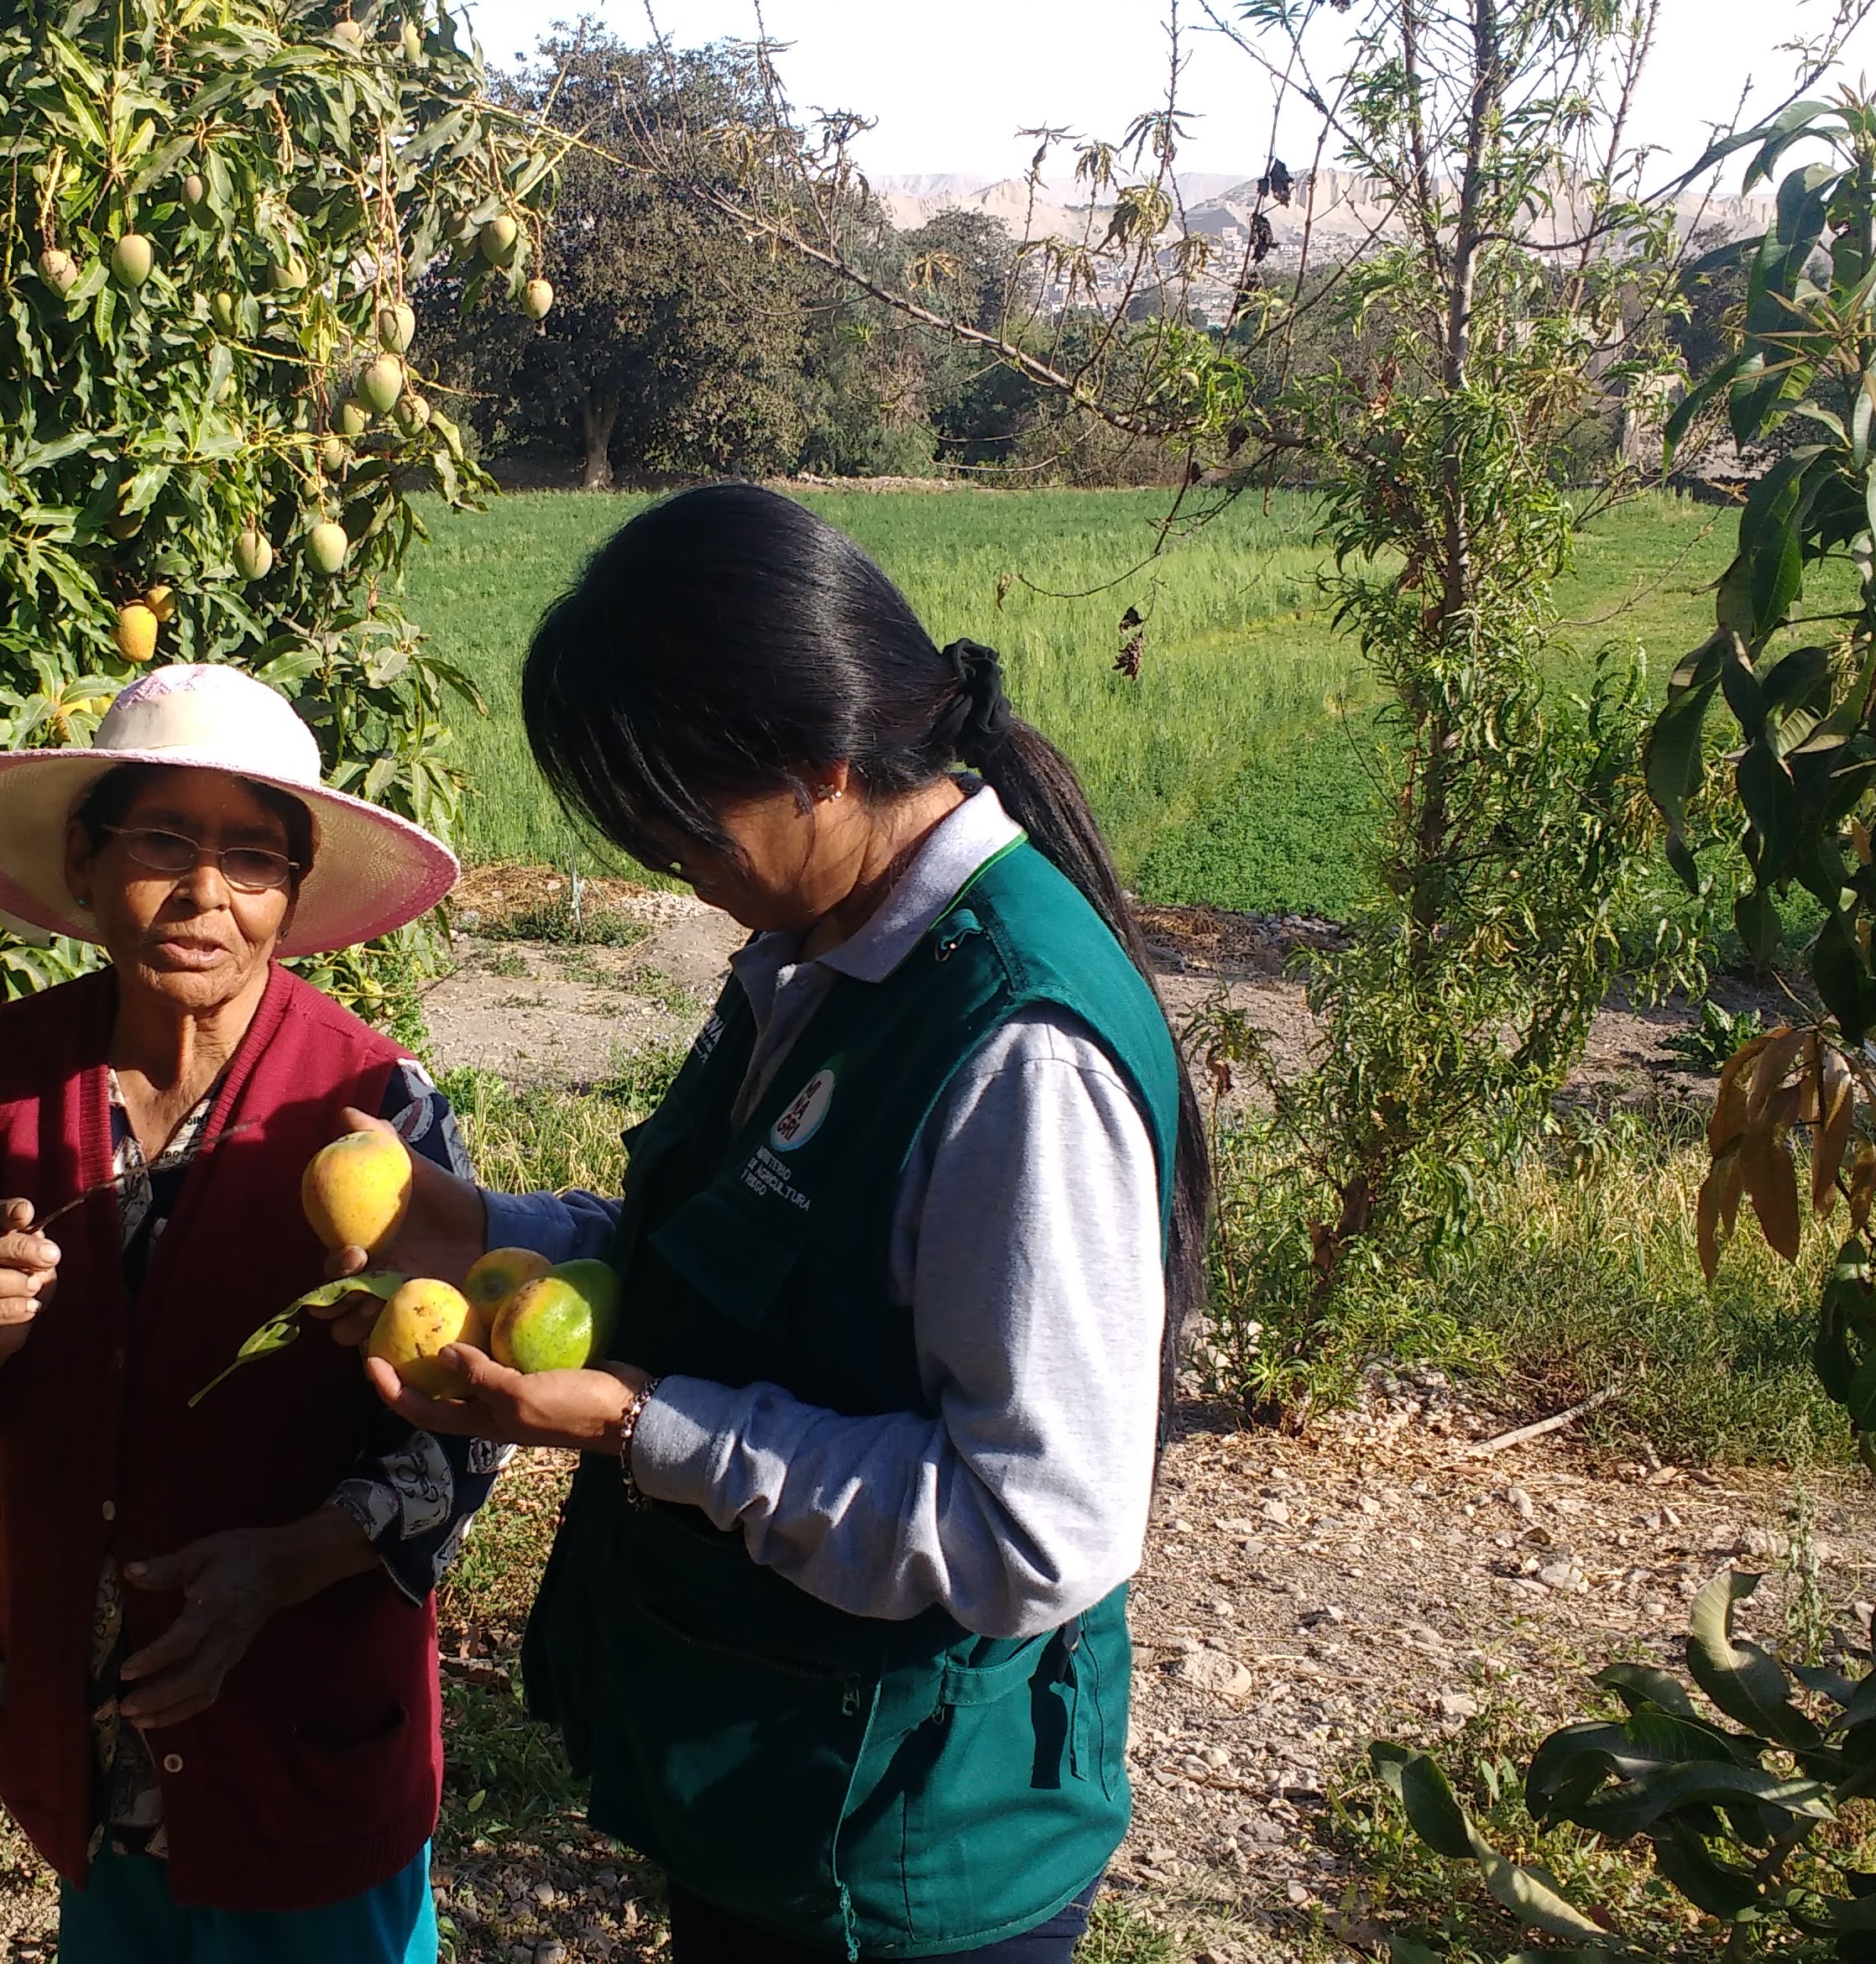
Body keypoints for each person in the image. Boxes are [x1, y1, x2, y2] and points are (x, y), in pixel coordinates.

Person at [319, 484, 1212, 1961]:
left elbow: (1032, 1531)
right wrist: (464, 1221)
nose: (674, 869)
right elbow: (741, 1252)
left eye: (684, 829)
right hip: (784, 1788)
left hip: (913, 1854)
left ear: (822, 763)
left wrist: (641, 1427)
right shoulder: (820, 947)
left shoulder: (1015, 1051)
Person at [0, 663, 498, 1963]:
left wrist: (289, 1563)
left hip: (308, 1747)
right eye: (164, 843)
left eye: (253, 859)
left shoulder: (371, 1107)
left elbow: (459, 1428)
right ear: (85, 864)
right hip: (91, 1750)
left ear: (292, 899)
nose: (208, 894)